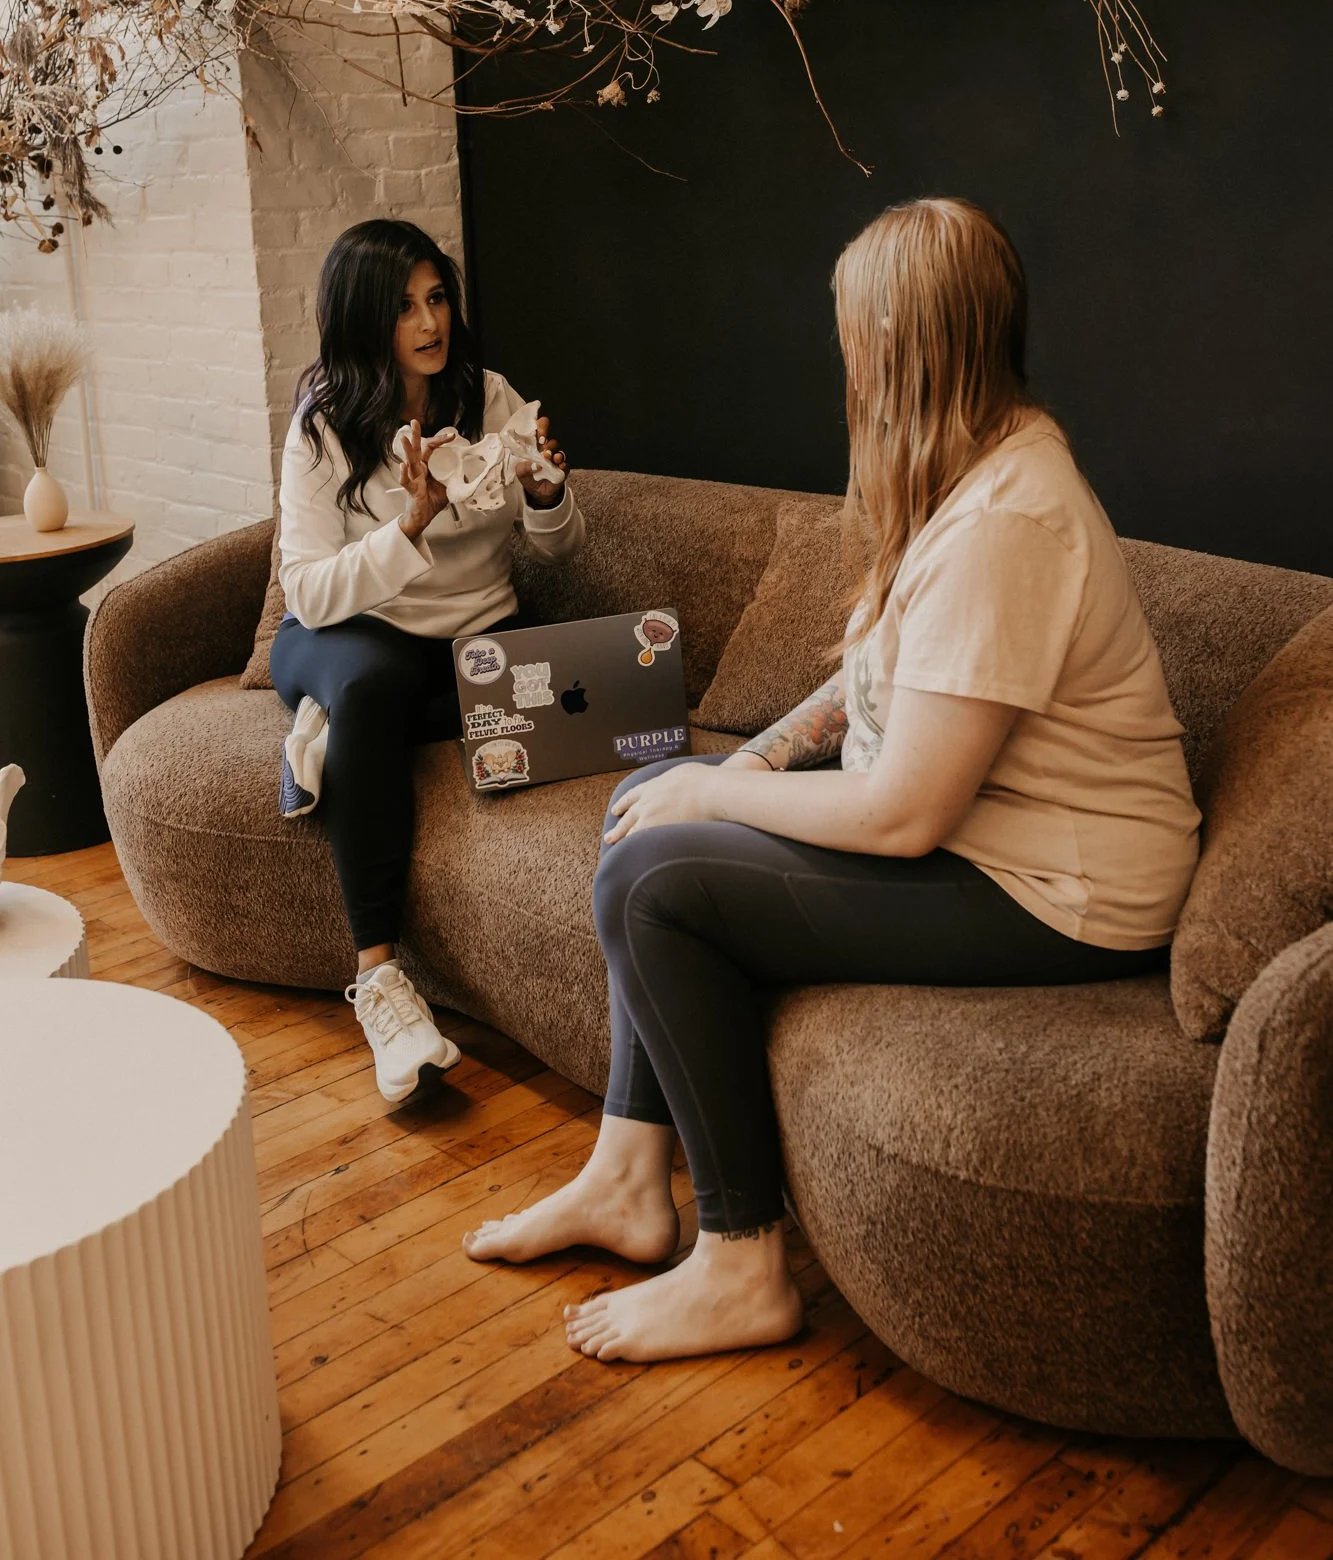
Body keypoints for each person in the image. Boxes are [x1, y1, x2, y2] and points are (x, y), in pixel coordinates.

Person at [462, 196, 1201, 1364]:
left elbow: (905, 811)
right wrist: (745, 757)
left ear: (906, 341)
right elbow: (875, 682)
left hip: (1062, 884)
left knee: (658, 878)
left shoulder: (1011, 517)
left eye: (858, 334)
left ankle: (740, 1260)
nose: (845, 361)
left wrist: (713, 792)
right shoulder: (970, 476)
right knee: (638, 808)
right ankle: (622, 1174)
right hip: (996, 844)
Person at [270, 218, 584, 1104]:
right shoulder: (323, 425)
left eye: (436, 296)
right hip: (351, 635)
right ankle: (380, 981)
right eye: (405, 305)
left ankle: (336, 737)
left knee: (575, 684)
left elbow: (556, 552)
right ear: (365, 317)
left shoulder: (488, 399)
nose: (429, 320)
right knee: (368, 687)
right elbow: (307, 591)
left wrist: (550, 497)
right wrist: (408, 526)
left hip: (471, 645)